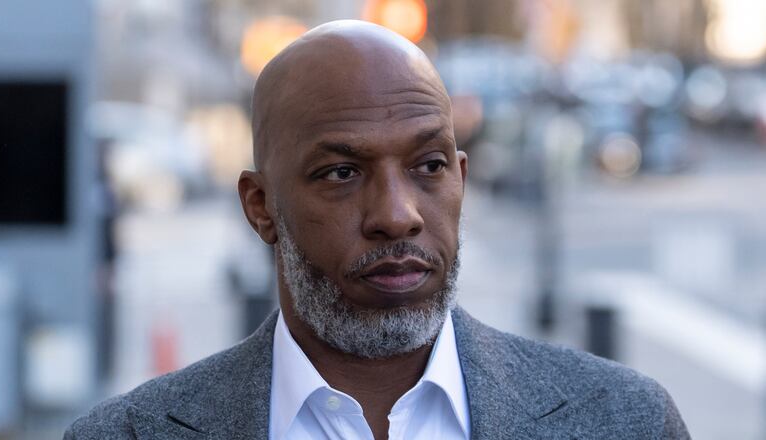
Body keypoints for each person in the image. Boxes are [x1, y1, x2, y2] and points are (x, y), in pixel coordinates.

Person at [64, 20, 690, 439]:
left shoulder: (625, 420)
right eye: (340, 171)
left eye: (429, 166)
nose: (397, 213)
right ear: (260, 207)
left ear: (462, 181)